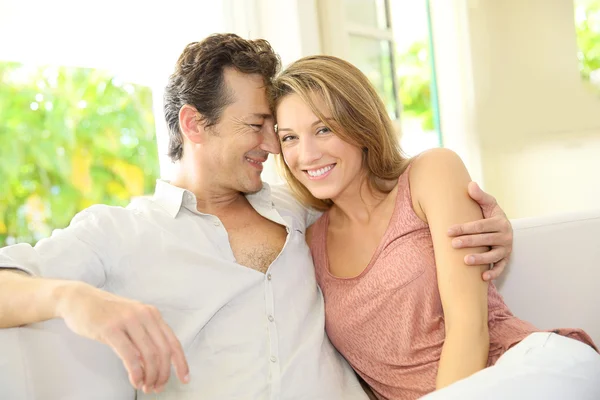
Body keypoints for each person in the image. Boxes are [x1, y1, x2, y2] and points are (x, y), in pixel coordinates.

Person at [0, 34, 513, 399]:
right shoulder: (119, 231)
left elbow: (389, 223)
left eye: (279, 130)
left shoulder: (303, 209)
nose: (276, 147)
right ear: (194, 124)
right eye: (259, 126)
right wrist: (72, 297)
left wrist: (491, 229)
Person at [272, 54, 600, 400]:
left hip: (529, 370)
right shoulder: (307, 242)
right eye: (290, 138)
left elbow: (468, 327)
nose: (306, 155)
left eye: (323, 129)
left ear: (360, 125)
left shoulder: (430, 175)